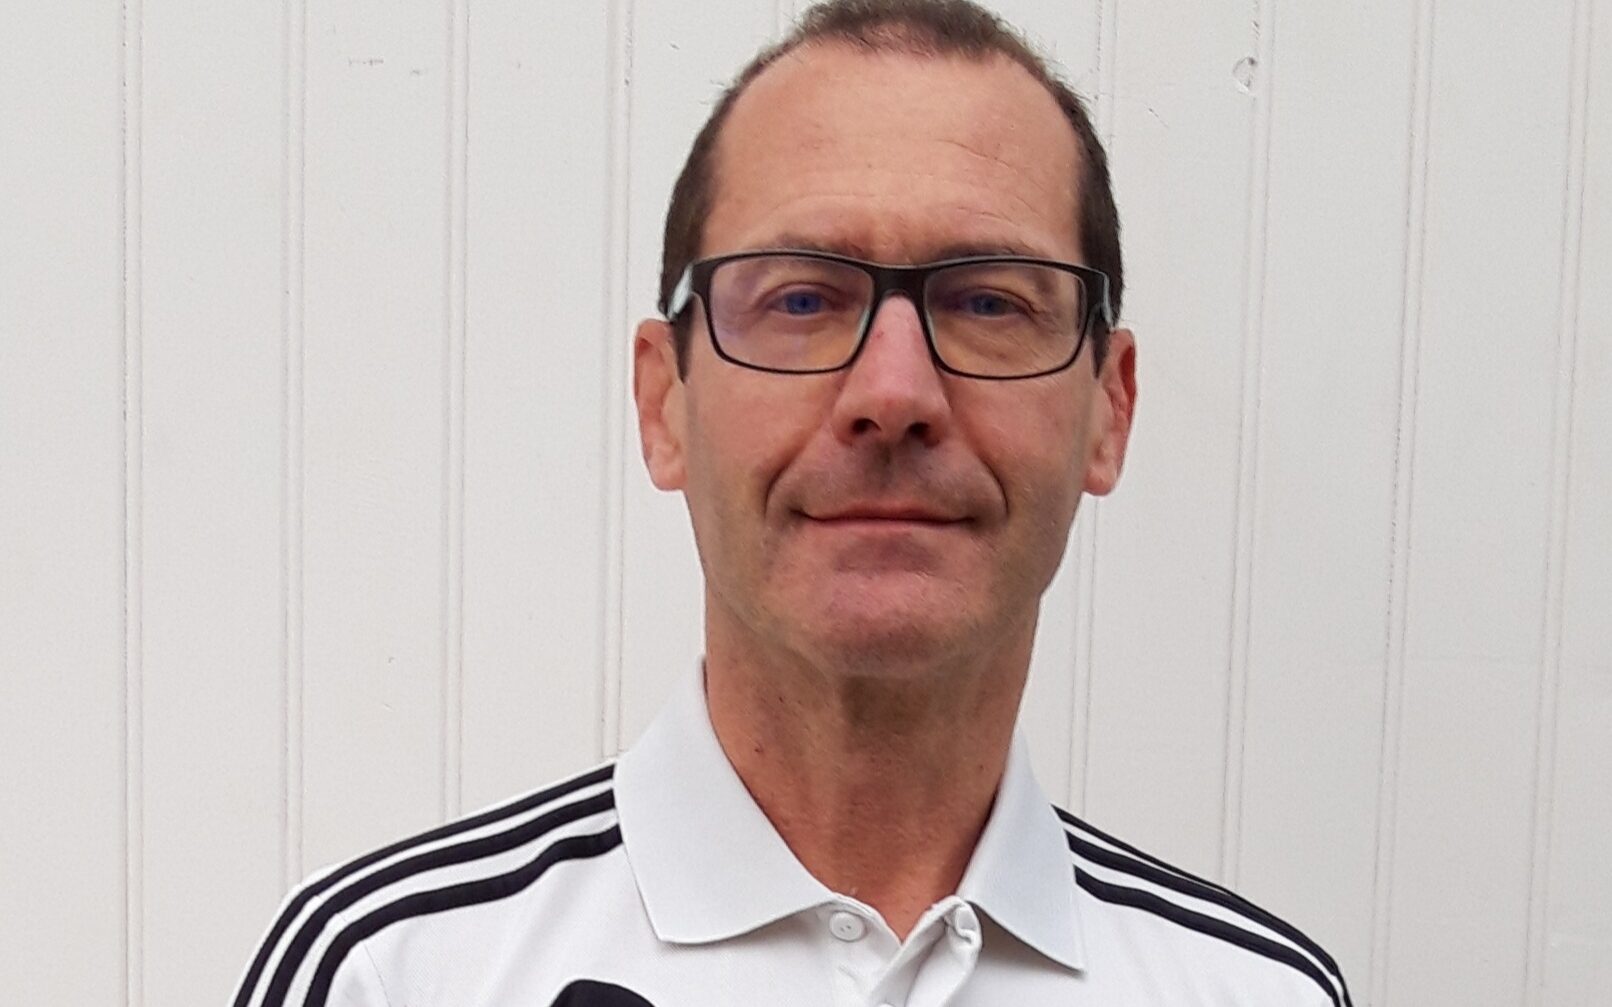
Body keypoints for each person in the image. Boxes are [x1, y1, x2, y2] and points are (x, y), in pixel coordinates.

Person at [232, 1, 1352, 1004]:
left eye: (987, 303)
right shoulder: (392, 974)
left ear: (1109, 408)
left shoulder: (1256, 993)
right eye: (804, 299)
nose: (894, 394)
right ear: (665, 401)